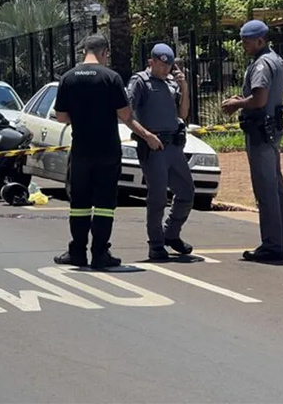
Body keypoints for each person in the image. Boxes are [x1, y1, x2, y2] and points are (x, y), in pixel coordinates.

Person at [53, 33, 138, 269]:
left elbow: (61, 116)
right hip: (107, 150)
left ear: (84, 52)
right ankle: (100, 253)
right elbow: (124, 113)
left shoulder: (68, 78)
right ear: (104, 53)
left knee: (79, 203)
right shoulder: (111, 78)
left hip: (81, 149)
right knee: (104, 204)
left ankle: (77, 252)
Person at [221, 20, 283, 262]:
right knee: (276, 188)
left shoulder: (262, 64)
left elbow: (260, 99)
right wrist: (244, 99)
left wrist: (237, 104)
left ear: (261, 40)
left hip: (261, 130)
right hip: (272, 130)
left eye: (247, 41)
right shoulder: (276, 59)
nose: (244, 46)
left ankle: (272, 245)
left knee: (265, 190)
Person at [127, 43, 195, 260]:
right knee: (157, 198)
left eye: (168, 66)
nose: (165, 69)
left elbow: (183, 114)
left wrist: (184, 88)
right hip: (153, 146)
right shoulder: (140, 82)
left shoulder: (171, 84)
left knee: (186, 192)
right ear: (151, 62)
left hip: (173, 146)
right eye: (161, 65)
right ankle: (155, 244)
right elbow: (126, 114)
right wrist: (147, 136)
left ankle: (171, 234)